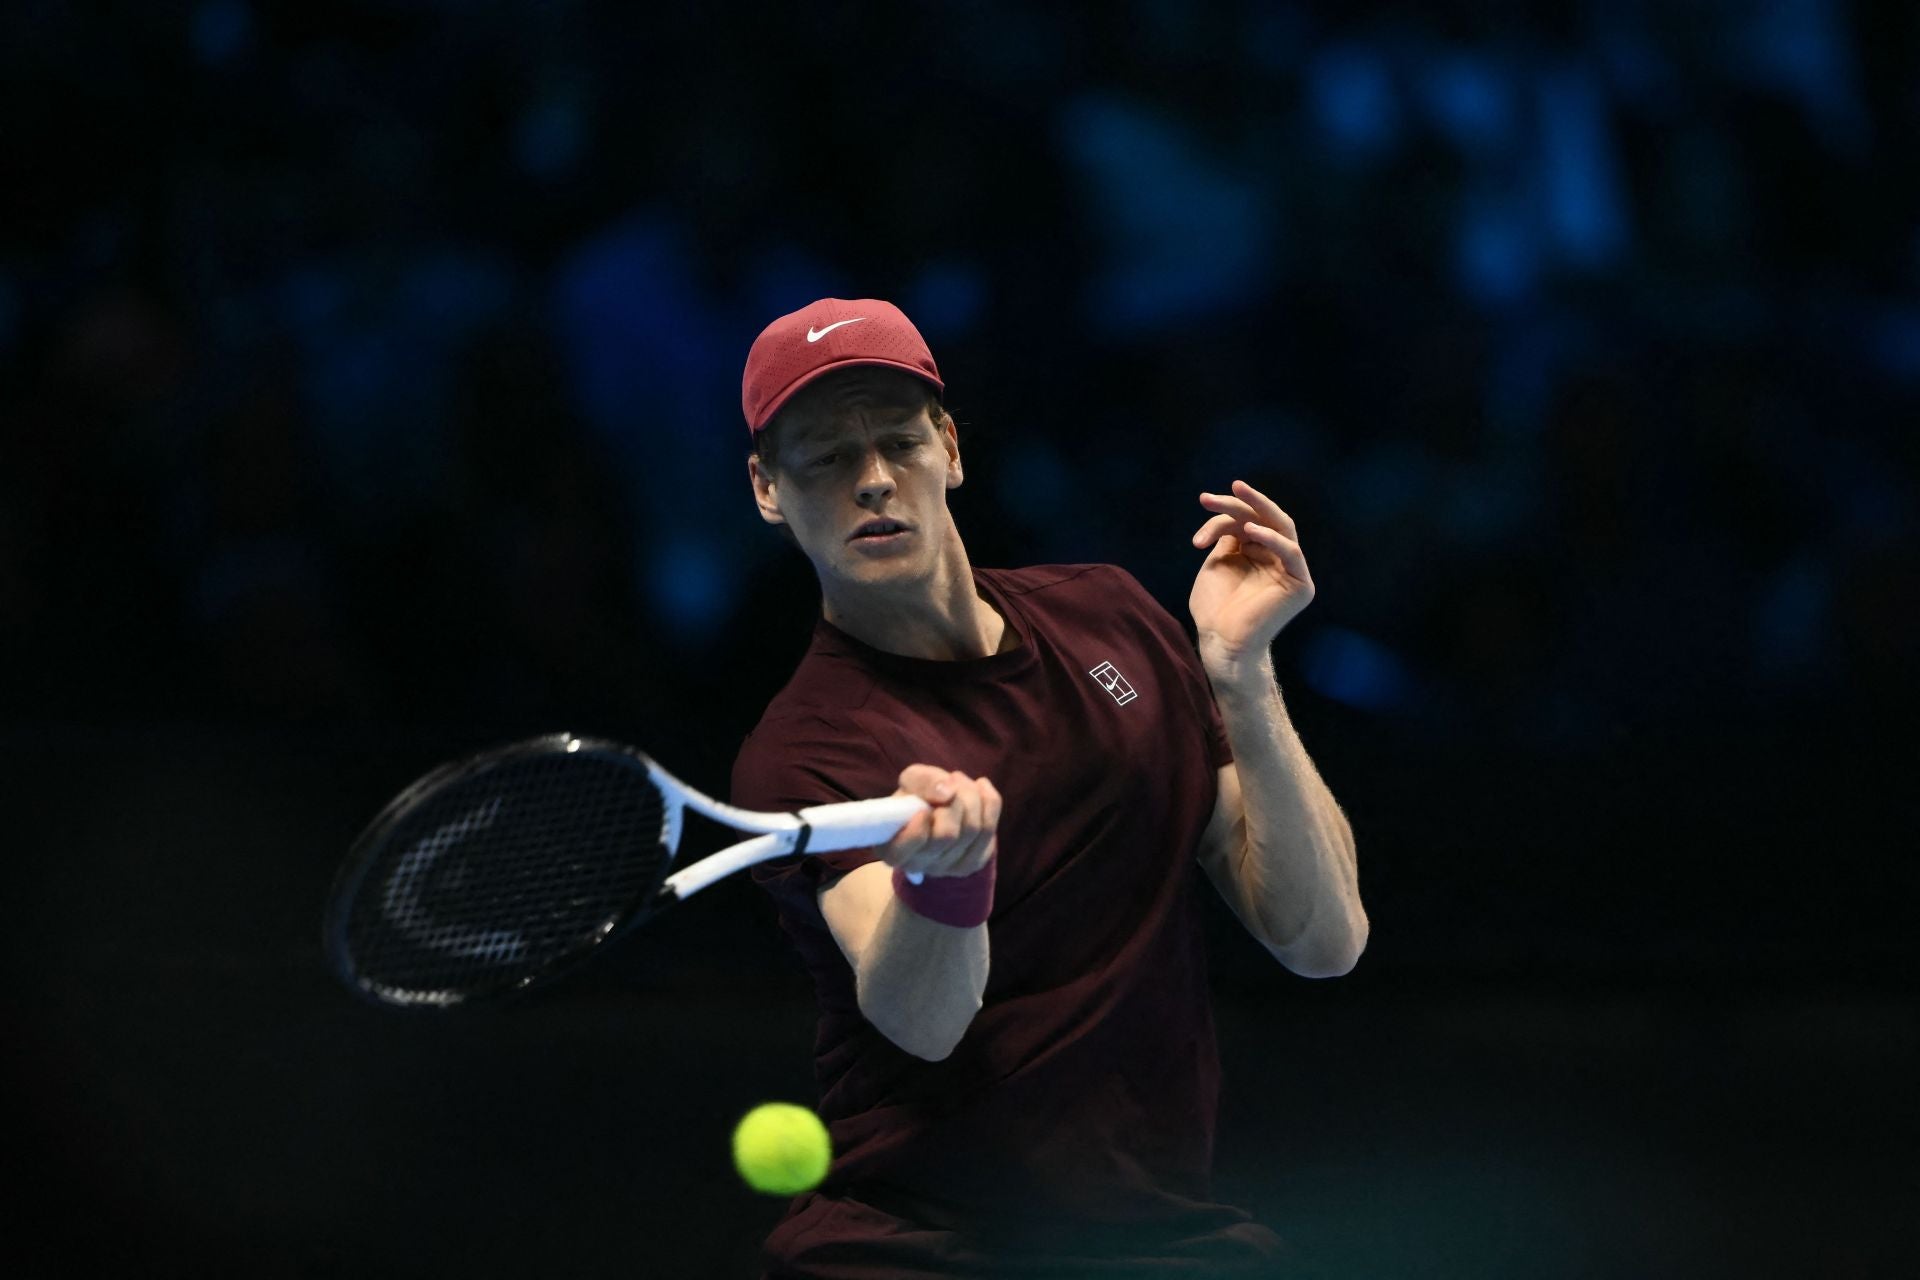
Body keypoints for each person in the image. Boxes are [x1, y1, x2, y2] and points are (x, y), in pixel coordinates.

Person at [731, 298, 1367, 1278]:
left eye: (898, 440)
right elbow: (922, 1022)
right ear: (768, 488)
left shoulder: (1110, 616)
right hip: (913, 1242)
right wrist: (946, 880)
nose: (872, 480)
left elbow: (1323, 939)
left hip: (1155, 1233)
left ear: (949, 447)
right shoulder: (806, 749)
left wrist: (1239, 672)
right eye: (823, 457)